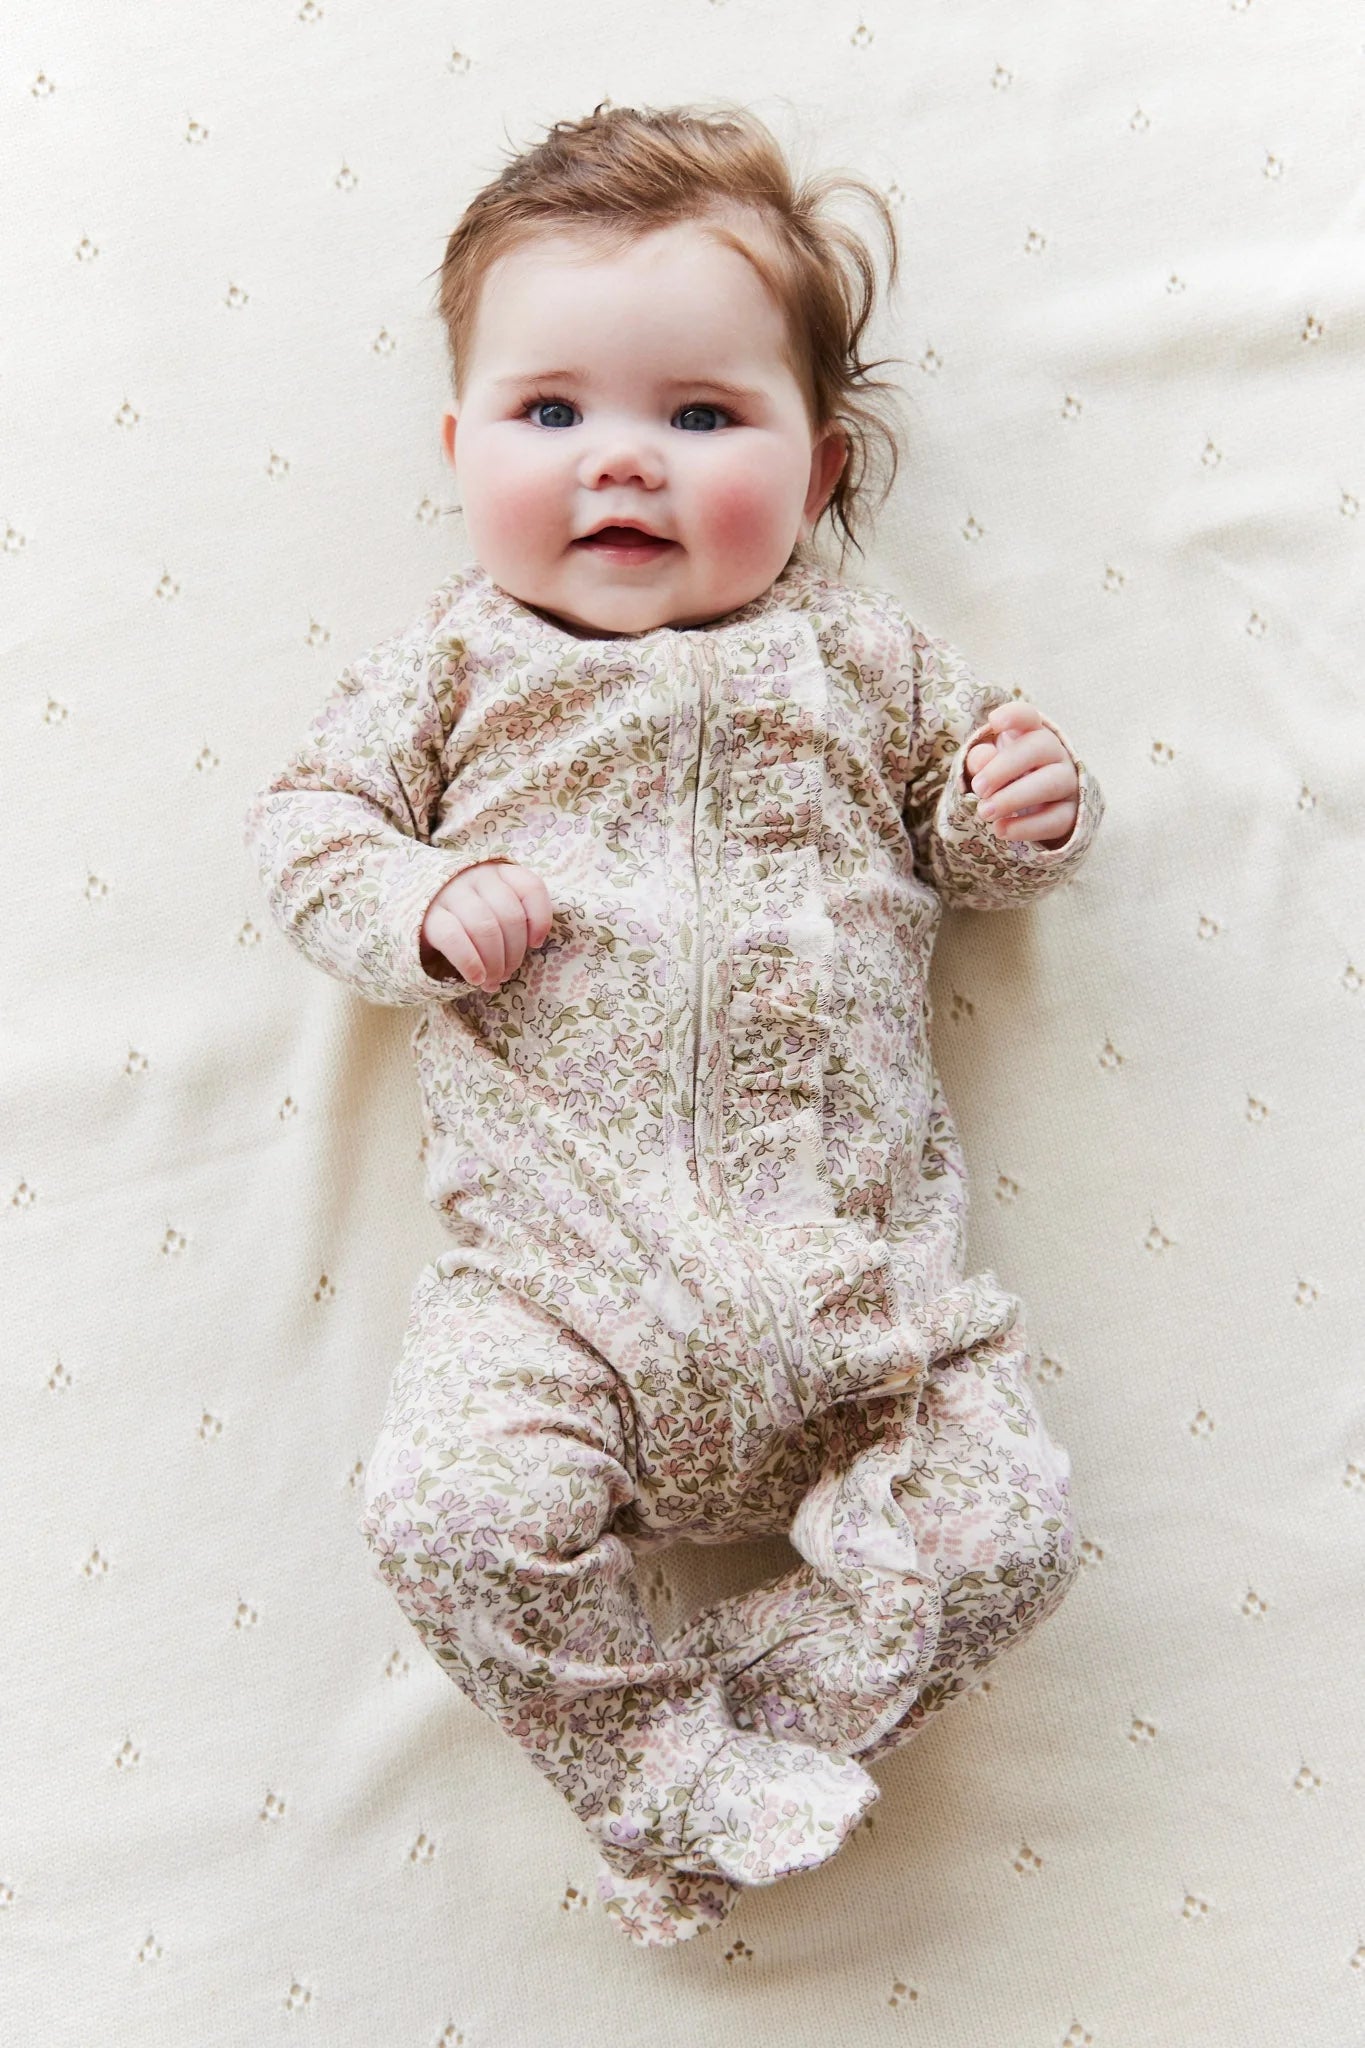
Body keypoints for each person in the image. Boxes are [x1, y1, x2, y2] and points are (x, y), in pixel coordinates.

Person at [243, 100, 1105, 1949]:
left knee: (1013, 1537)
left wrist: (1015, 812)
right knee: (441, 1518)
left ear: (818, 470)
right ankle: (666, 1768)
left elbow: (972, 831)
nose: (621, 461)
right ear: (460, 447)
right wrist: (414, 904)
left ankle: (719, 1760)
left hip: (865, 1306)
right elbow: (307, 829)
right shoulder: (457, 664)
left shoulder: (864, 656)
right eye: (550, 412)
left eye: (702, 417)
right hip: (559, 1298)